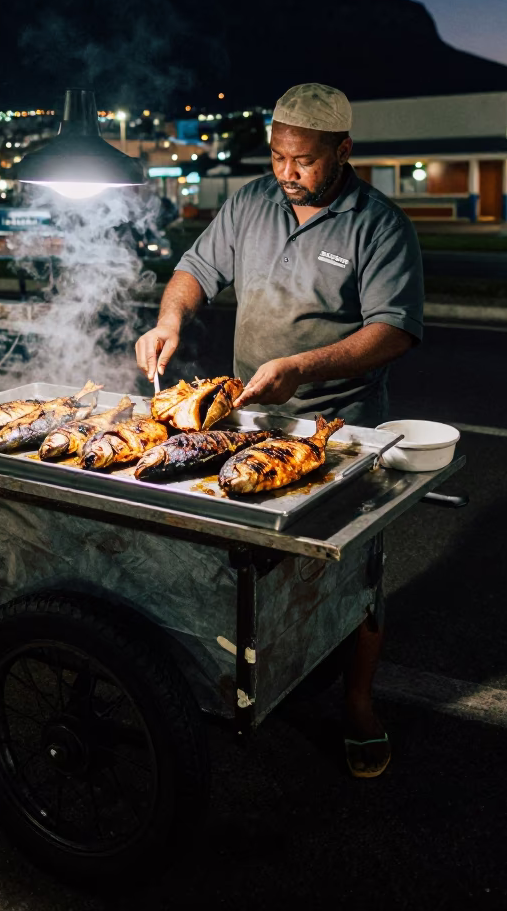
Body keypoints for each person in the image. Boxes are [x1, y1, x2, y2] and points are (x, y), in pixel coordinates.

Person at [135, 82, 424, 777]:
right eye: (277, 156)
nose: (287, 172)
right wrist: (170, 320)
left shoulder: (378, 225)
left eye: (304, 161)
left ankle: (357, 705)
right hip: (249, 420)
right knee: (244, 557)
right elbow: (194, 270)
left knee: (355, 575)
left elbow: (394, 331)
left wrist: (303, 366)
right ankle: (254, 674)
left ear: (342, 151)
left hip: (338, 425)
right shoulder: (251, 202)